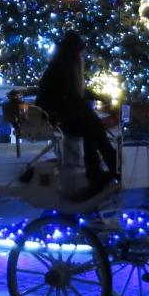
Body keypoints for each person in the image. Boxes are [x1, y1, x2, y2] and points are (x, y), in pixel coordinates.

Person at [35, 31, 118, 200]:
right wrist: (89, 110)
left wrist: (98, 98)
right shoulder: (63, 66)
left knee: (93, 126)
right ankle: (103, 172)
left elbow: (76, 94)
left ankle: (105, 171)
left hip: (64, 112)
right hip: (55, 116)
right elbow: (71, 96)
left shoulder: (64, 64)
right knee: (92, 127)